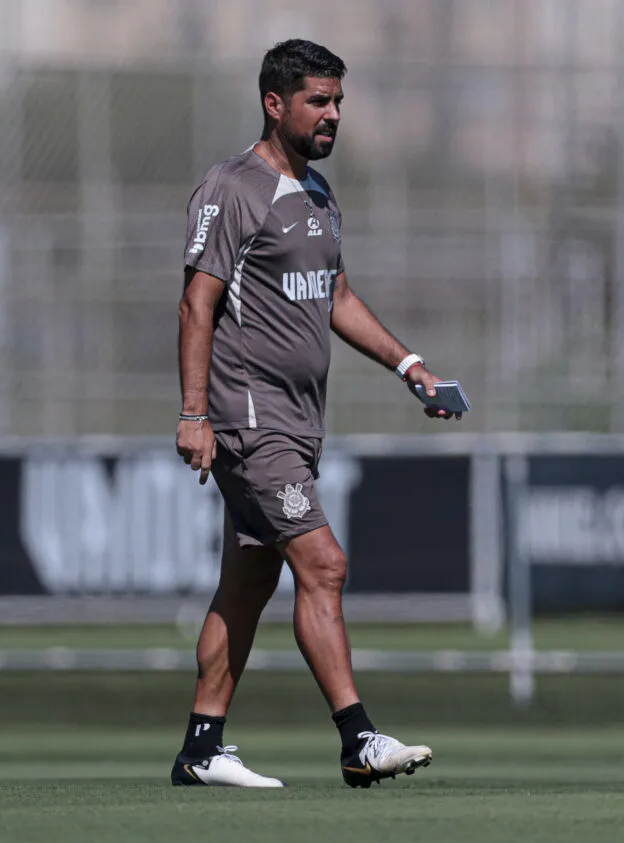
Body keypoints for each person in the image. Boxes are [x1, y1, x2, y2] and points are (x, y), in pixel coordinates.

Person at [171, 39, 460, 789]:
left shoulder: (321, 194)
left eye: (337, 101)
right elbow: (196, 302)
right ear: (275, 104)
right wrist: (194, 413)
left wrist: (409, 366)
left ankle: (203, 747)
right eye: (317, 102)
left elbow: (333, 296)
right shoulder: (233, 188)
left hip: (297, 424)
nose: (333, 115)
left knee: (248, 582)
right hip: (249, 418)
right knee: (323, 564)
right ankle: (356, 738)